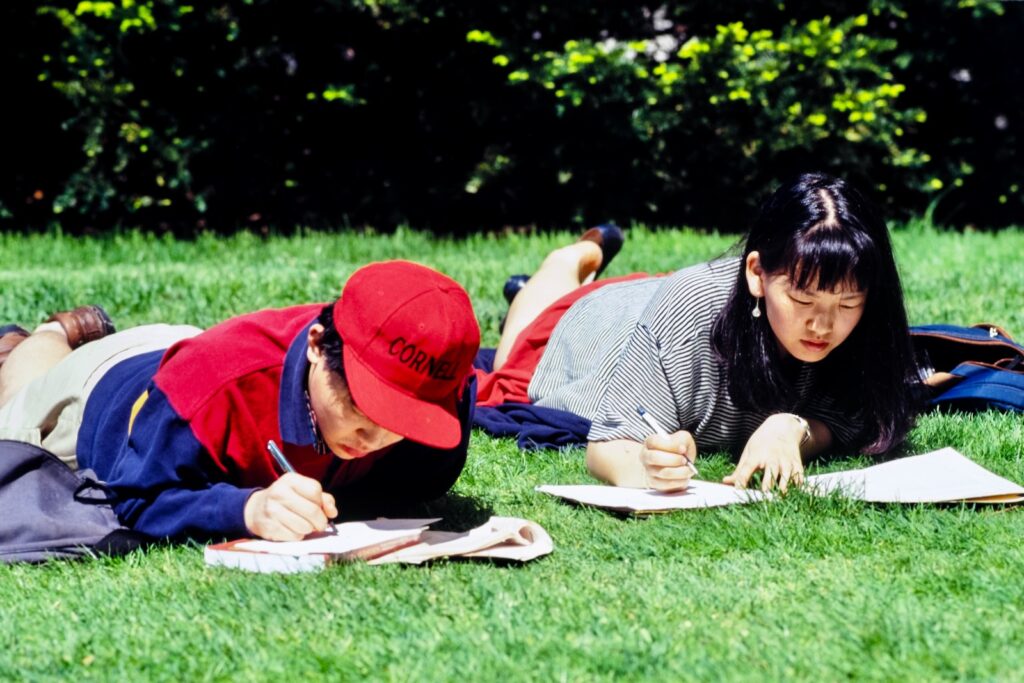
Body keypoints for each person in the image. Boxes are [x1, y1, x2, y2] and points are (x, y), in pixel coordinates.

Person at [478, 172, 921, 493]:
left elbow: (857, 416)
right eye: (803, 301)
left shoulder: (867, 316)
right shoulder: (688, 314)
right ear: (756, 274)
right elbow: (608, 447)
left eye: (846, 304)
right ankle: (569, 260)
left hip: (661, 302)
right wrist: (645, 467)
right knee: (512, 355)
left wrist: (792, 428)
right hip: (597, 327)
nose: (823, 325)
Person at [0, 261, 480, 541]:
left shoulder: (439, 406)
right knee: (14, 406)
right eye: (361, 407)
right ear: (316, 345)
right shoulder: (206, 388)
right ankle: (46, 334)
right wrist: (246, 510)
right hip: (102, 391)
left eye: (401, 417)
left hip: (187, 353)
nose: (374, 437)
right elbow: (134, 494)